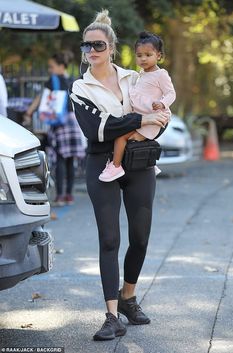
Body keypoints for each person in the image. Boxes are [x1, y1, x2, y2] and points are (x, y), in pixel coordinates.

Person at [70, 10, 170, 341]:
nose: (92, 51)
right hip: (103, 164)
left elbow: (163, 114)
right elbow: (97, 129)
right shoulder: (80, 88)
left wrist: (154, 118)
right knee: (110, 238)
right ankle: (111, 315)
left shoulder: (135, 77)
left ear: (111, 47)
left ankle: (128, 297)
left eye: (98, 45)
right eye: (86, 46)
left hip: (140, 162)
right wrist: (141, 120)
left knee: (140, 237)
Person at [99, 31, 176, 182]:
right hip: (142, 117)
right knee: (131, 139)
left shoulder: (161, 75)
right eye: (139, 55)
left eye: (148, 55)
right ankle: (148, 162)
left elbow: (171, 93)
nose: (143, 59)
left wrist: (162, 103)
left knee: (121, 138)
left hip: (153, 118)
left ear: (158, 56)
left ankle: (115, 166)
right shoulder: (140, 74)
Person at [24, 53, 85, 206]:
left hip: (60, 123)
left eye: (51, 67)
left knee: (60, 160)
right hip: (73, 122)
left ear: (60, 66)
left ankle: (59, 196)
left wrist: (29, 112)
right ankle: (69, 195)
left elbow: (40, 98)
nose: (50, 70)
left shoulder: (53, 80)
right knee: (71, 160)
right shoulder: (72, 81)